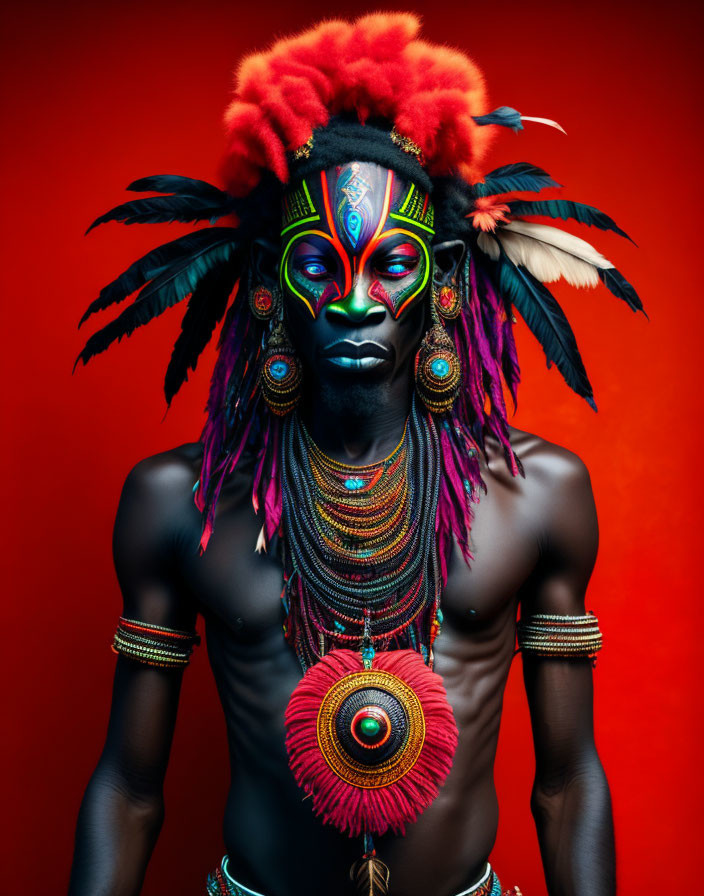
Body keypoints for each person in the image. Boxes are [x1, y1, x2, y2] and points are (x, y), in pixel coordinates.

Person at [68, 13, 641, 896]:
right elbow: (131, 789)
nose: (355, 301)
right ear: (269, 284)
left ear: (442, 278)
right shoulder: (174, 501)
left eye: (391, 265)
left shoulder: (538, 494)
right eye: (319, 265)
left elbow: (567, 784)